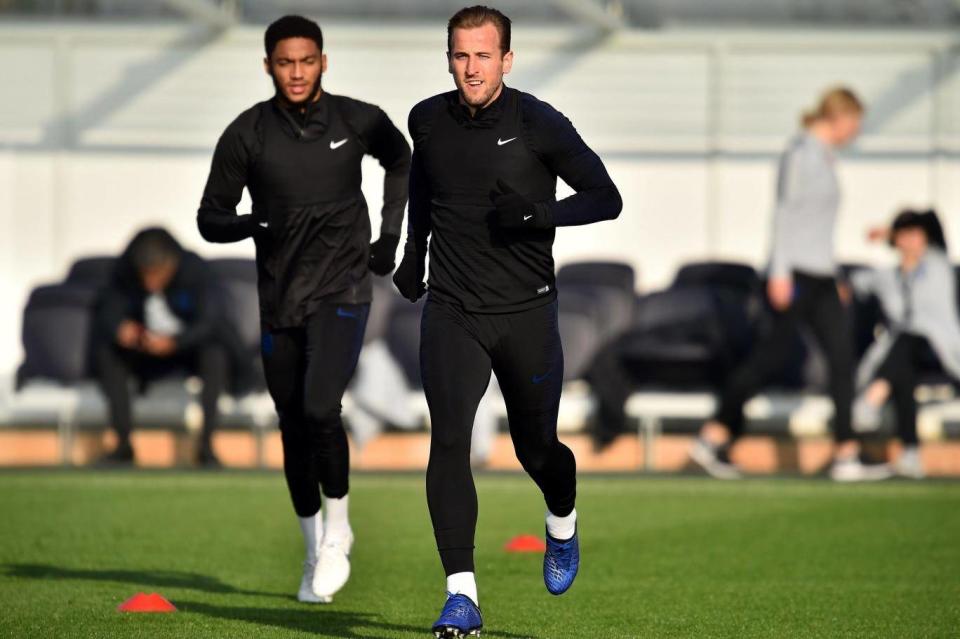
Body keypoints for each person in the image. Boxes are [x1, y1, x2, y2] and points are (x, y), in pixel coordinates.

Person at [393, 6, 622, 636]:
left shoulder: (538, 123)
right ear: (448, 57)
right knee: (448, 440)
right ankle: (461, 595)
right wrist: (414, 256)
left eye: (484, 56)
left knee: (537, 450)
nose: (471, 68)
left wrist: (539, 215)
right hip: (452, 309)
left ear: (507, 60)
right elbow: (424, 189)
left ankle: (562, 521)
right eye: (461, 55)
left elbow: (607, 198)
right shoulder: (427, 120)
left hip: (526, 313)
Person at [196, 15, 411, 604]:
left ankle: (340, 531)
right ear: (268, 65)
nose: (296, 72)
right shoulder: (247, 134)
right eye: (285, 62)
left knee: (321, 407)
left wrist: (390, 237)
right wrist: (249, 222)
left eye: (306, 60)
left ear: (323, 61)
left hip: (344, 288)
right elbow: (209, 217)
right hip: (279, 300)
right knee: (293, 427)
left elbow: (401, 158)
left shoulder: (355, 119)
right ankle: (313, 547)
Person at [688, 86, 892, 482]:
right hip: (794, 275)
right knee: (769, 359)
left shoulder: (825, 159)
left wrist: (835, 275)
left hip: (820, 277)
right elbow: (784, 216)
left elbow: (817, 226)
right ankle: (711, 438)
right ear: (839, 117)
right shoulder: (799, 155)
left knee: (842, 359)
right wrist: (779, 273)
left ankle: (845, 453)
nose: (856, 131)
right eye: (855, 123)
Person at [94, 227, 228, 467]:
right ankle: (122, 445)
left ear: (172, 264)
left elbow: (211, 321)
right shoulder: (123, 274)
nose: (150, 283)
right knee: (108, 352)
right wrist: (120, 328)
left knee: (214, 354)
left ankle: (207, 448)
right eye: (145, 276)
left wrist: (176, 342)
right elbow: (107, 310)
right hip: (143, 353)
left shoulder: (196, 271)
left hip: (186, 350)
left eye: (157, 275)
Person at [851, 210, 960, 479]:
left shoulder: (937, 266)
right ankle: (910, 453)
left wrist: (889, 231)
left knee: (909, 342)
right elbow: (853, 284)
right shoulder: (885, 276)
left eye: (916, 235)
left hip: (939, 350)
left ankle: (871, 401)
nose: (911, 242)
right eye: (905, 236)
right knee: (902, 369)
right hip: (902, 355)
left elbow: (935, 220)